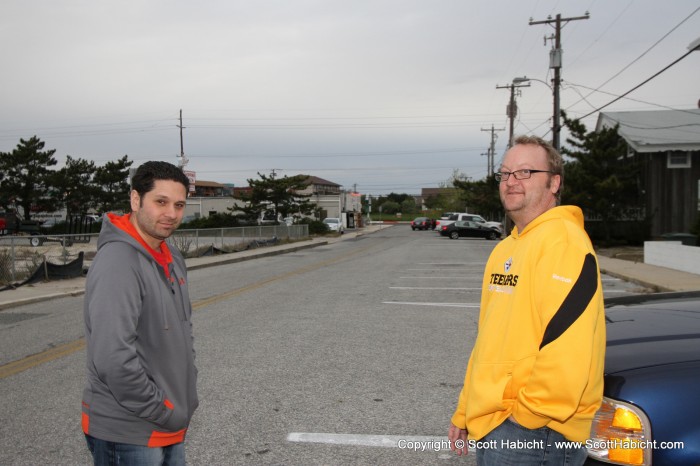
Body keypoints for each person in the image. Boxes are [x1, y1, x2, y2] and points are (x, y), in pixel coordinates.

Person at [448, 135, 606, 466]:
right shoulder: (506, 248)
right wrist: (466, 409)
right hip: (495, 422)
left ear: (554, 182)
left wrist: (525, 417)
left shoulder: (564, 243)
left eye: (524, 172)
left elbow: (569, 347)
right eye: (505, 174)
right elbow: (489, 340)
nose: (511, 182)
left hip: (536, 432)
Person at [82, 161, 198, 466]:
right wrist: (162, 409)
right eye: (161, 202)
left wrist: (184, 401)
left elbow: (182, 332)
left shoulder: (171, 256)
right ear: (136, 200)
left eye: (179, 204)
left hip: (169, 424)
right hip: (129, 431)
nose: (171, 213)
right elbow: (112, 357)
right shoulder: (118, 262)